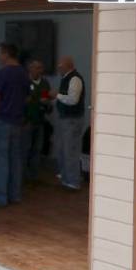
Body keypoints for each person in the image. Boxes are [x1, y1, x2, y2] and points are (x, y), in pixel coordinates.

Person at [0, 42, 29, 206]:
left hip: (2, 120)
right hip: (17, 121)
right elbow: (26, 97)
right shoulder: (24, 74)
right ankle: (15, 195)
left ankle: (0, 197)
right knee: (15, 159)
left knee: (0, 159)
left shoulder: (3, 73)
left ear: (6, 54)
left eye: (0, 53)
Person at [52, 55, 85, 191]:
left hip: (72, 120)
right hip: (66, 119)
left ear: (67, 66)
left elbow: (73, 100)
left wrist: (57, 95)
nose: (59, 68)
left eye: (60, 66)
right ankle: (66, 179)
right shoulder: (67, 78)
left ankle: (73, 182)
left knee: (70, 150)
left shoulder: (75, 79)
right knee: (64, 149)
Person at [22, 60, 52, 182]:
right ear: (30, 69)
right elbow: (22, 100)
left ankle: (33, 177)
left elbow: (45, 98)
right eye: (36, 68)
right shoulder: (24, 82)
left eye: (40, 68)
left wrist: (47, 103)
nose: (39, 70)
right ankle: (23, 176)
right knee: (25, 149)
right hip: (26, 121)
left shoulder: (44, 83)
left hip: (40, 120)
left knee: (36, 149)